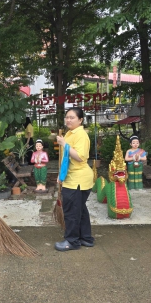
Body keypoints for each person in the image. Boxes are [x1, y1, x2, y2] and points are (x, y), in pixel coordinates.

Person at [55, 107, 94, 251]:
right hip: (71, 177)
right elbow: (66, 159)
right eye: (67, 117)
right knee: (80, 210)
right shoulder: (70, 133)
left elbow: (79, 156)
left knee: (71, 211)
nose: (68, 120)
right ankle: (86, 238)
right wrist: (61, 175)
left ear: (81, 120)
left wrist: (64, 144)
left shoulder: (81, 134)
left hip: (78, 179)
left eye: (72, 117)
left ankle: (72, 241)